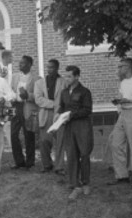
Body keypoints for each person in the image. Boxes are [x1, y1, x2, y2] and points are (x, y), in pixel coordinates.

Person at [108, 58, 132, 185]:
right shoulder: (123, 82)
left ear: (129, 67)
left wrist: (130, 101)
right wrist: (119, 101)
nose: (119, 69)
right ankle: (122, 176)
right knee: (115, 143)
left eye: (121, 66)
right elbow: (123, 97)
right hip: (123, 113)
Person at [58, 65, 93, 200]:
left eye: (69, 76)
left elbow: (87, 110)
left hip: (82, 125)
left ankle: (86, 182)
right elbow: (62, 107)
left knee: (84, 154)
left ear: (77, 77)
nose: (66, 79)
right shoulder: (64, 92)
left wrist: (71, 115)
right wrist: (59, 116)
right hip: (68, 127)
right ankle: (75, 184)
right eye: (65, 76)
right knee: (71, 154)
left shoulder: (85, 92)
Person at [9, 54, 38, 170]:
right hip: (15, 106)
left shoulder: (36, 79)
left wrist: (28, 95)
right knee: (13, 134)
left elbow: (38, 96)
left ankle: (30, 162)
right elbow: (10, 91)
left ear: (30, 65)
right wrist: (11, 98)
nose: (20, 65)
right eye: (20, 63)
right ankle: (19, 161)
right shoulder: (14, 76)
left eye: (23, 63)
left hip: (28, 107)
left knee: (28, 134)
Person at [33, 59, 62, 174]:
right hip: (45, 113)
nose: (49, 69)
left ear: (57, 68)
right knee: (44, 140)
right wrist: (54, 104)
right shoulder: (39, 83)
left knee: (60, 141)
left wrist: (59, 107)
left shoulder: (64, 82)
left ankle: (59, 166)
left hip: (59, 113)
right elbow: (38, 99)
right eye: (48, 67)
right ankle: (46, 165)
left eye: (52, 67)